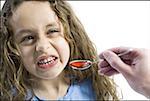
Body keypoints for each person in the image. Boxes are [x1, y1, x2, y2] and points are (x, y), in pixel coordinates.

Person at [0, 0, 118, 100]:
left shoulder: (93, 84)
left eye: (52, 31)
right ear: (11, 48)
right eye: (28, 38)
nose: (42, 46)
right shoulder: (10, 97)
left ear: (71, 34)